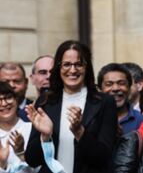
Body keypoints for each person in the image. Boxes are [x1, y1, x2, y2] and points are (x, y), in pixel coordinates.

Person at [24, 40, 118, 173]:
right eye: (67, 64)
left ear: (87, 67)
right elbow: (32, 160)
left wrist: (80, 132)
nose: (72, 70)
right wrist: (45, 137)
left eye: (78, 64)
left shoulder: (104, 102)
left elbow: (104, 158)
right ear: (59, 67)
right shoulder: (45, 101)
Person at [97, 63, 143, 135]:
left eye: (121, 83)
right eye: (109, 84)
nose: (115, 88)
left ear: (129, 87)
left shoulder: (140, 120)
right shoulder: (93, 118)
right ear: (100, 89)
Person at [0, 81, 35, 173]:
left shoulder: (32, 129)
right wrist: (2, 164)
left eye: (8, 98)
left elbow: (41, 168)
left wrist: (21, 154)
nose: (4, 104)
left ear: (16, 100)